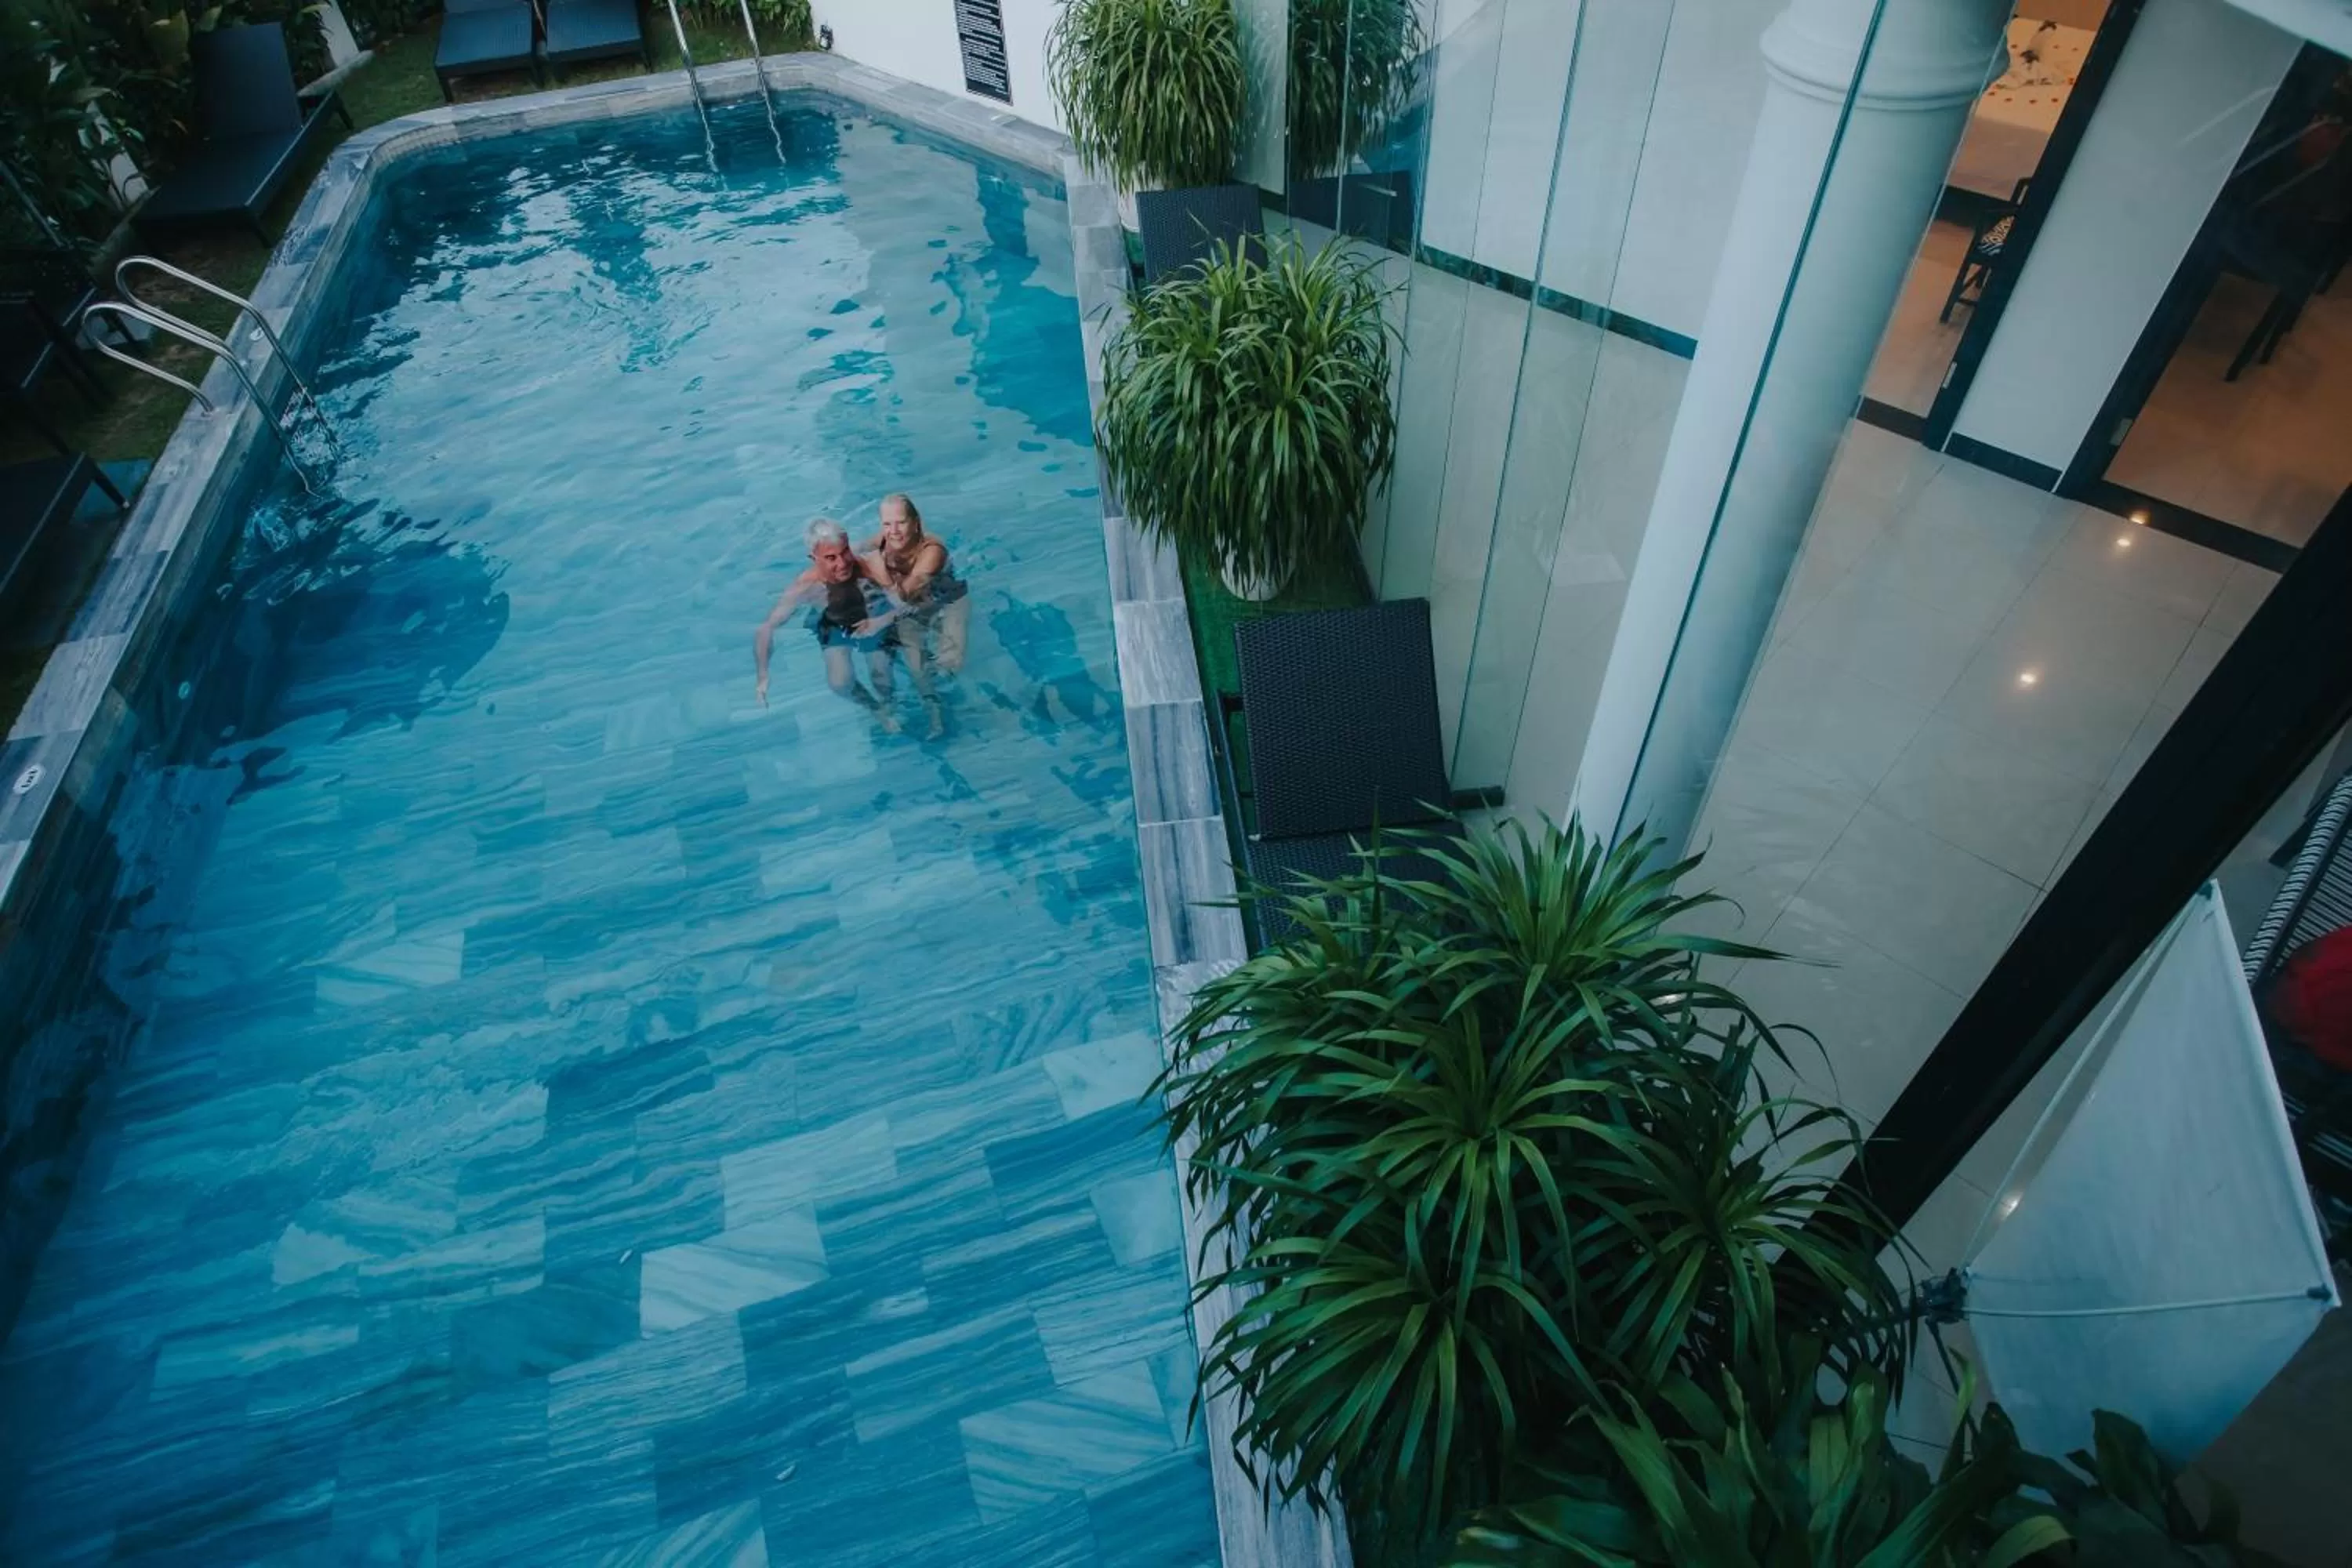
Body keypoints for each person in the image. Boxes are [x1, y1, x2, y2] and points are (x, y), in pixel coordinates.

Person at [753, 517, 900, 729]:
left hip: (873, 618)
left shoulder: (863, 563)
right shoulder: (806, 587)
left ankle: (890, 705)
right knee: (840, 683)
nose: (842, 563)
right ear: (813, 558)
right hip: (834, 625)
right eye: (831, 558)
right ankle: (874, 709)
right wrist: (763, 676)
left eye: (845, 552)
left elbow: (883, 542)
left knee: (882, 679)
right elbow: (766, 628)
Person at [858, 493, 969, 739]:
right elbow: (855, 554)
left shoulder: (933, 549)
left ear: (916, 522)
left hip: (947, 600)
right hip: (911, 608)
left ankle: (946, 699)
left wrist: (881, 575)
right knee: (916, 665)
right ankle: (934, 710)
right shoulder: (883, 541)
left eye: (900, 523)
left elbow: (910, 588)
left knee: (950, 667)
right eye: (887, 524)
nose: (894, 531)